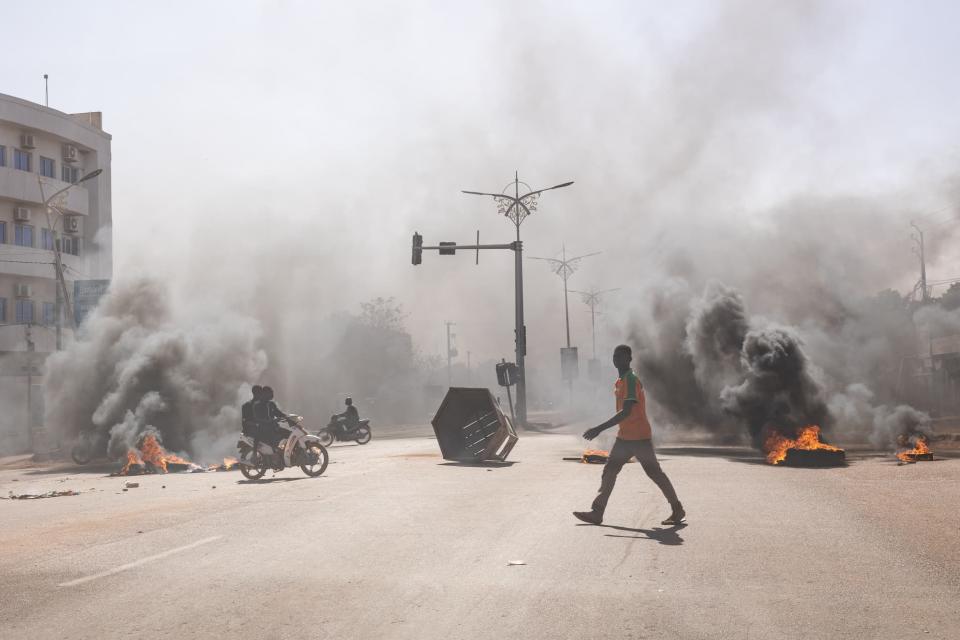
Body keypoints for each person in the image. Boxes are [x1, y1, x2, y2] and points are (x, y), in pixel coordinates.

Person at [573, 344, 685, 526]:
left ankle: (677, 509)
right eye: (615, 356)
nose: (617, 359)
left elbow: (626, 412)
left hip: (640, 438)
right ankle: (597, 512)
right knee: (609, 471)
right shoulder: (620, 382)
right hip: (624, 438)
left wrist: (599, 428)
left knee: (655, 473)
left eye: (621, 356)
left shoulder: (631, 380)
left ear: (629, 359)